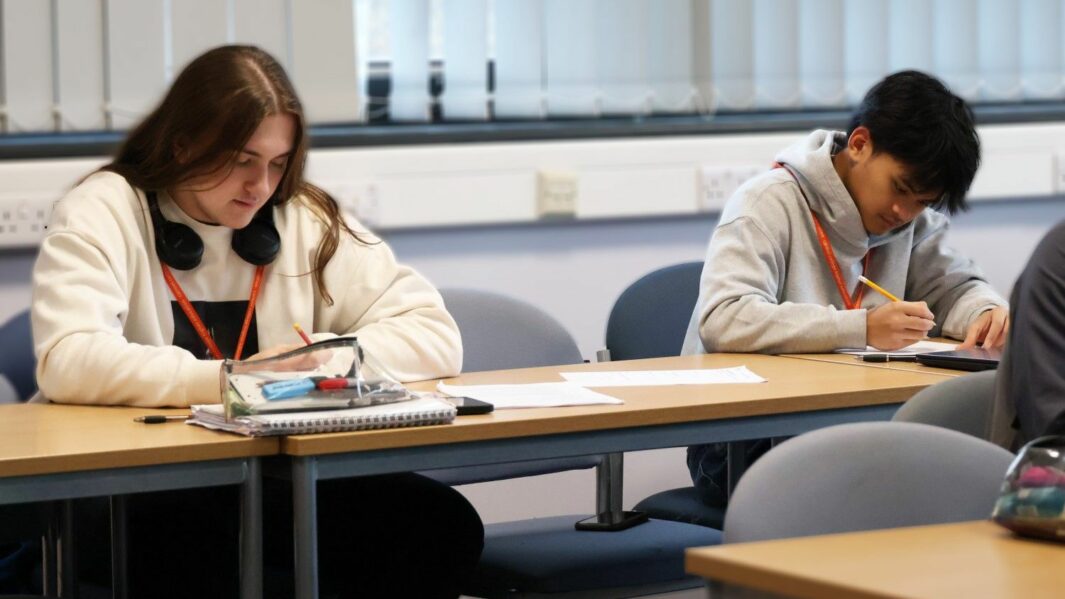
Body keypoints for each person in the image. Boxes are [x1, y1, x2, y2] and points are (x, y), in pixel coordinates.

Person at [31, 45, 482, 598]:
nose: (260, 186)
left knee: (436, 525)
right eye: (241, 160)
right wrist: (237, 379)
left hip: (269, 478)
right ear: (183, 144)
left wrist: (315, 361)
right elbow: (68, 361)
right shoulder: (105, 208)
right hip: (130, 483)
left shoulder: (303, 218)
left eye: (276, 163)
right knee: (189, 543)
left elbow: (435, 336)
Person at [681, 70, 1009, 509]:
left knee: (953, 478)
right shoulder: (767, 203)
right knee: (904, 495)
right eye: (901, 188)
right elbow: (724, 318)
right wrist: (861, 327)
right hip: (743, 435)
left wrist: (983, 311)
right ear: (859, 144)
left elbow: (955, 288)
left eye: (923, 202)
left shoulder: (913, 223)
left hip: (857, 421)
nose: (903, 211)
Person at [989, 221, 1065, 449]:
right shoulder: (1058, 258)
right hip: (1048, 469)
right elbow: (1050, 427)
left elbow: (957, 283)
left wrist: (979, 308)